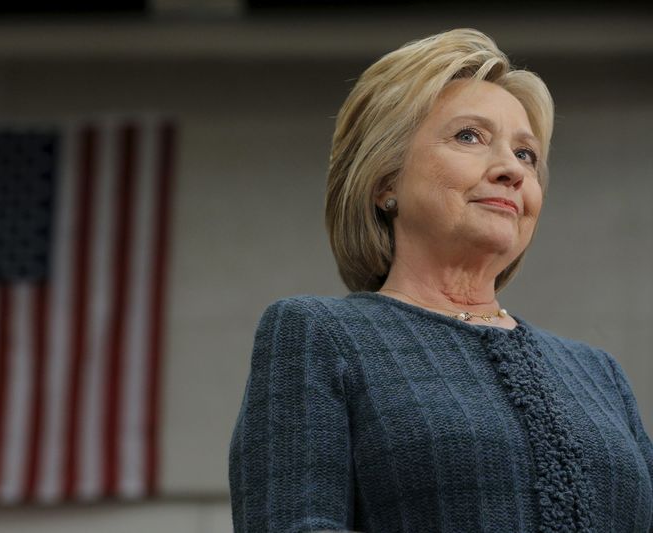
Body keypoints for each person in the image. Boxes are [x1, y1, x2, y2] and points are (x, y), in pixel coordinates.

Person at [228, 28, 653, 532]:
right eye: (469, 136)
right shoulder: (319, 334)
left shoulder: (598, 374)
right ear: (385, 181)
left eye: (526, 155)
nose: (511, 171)